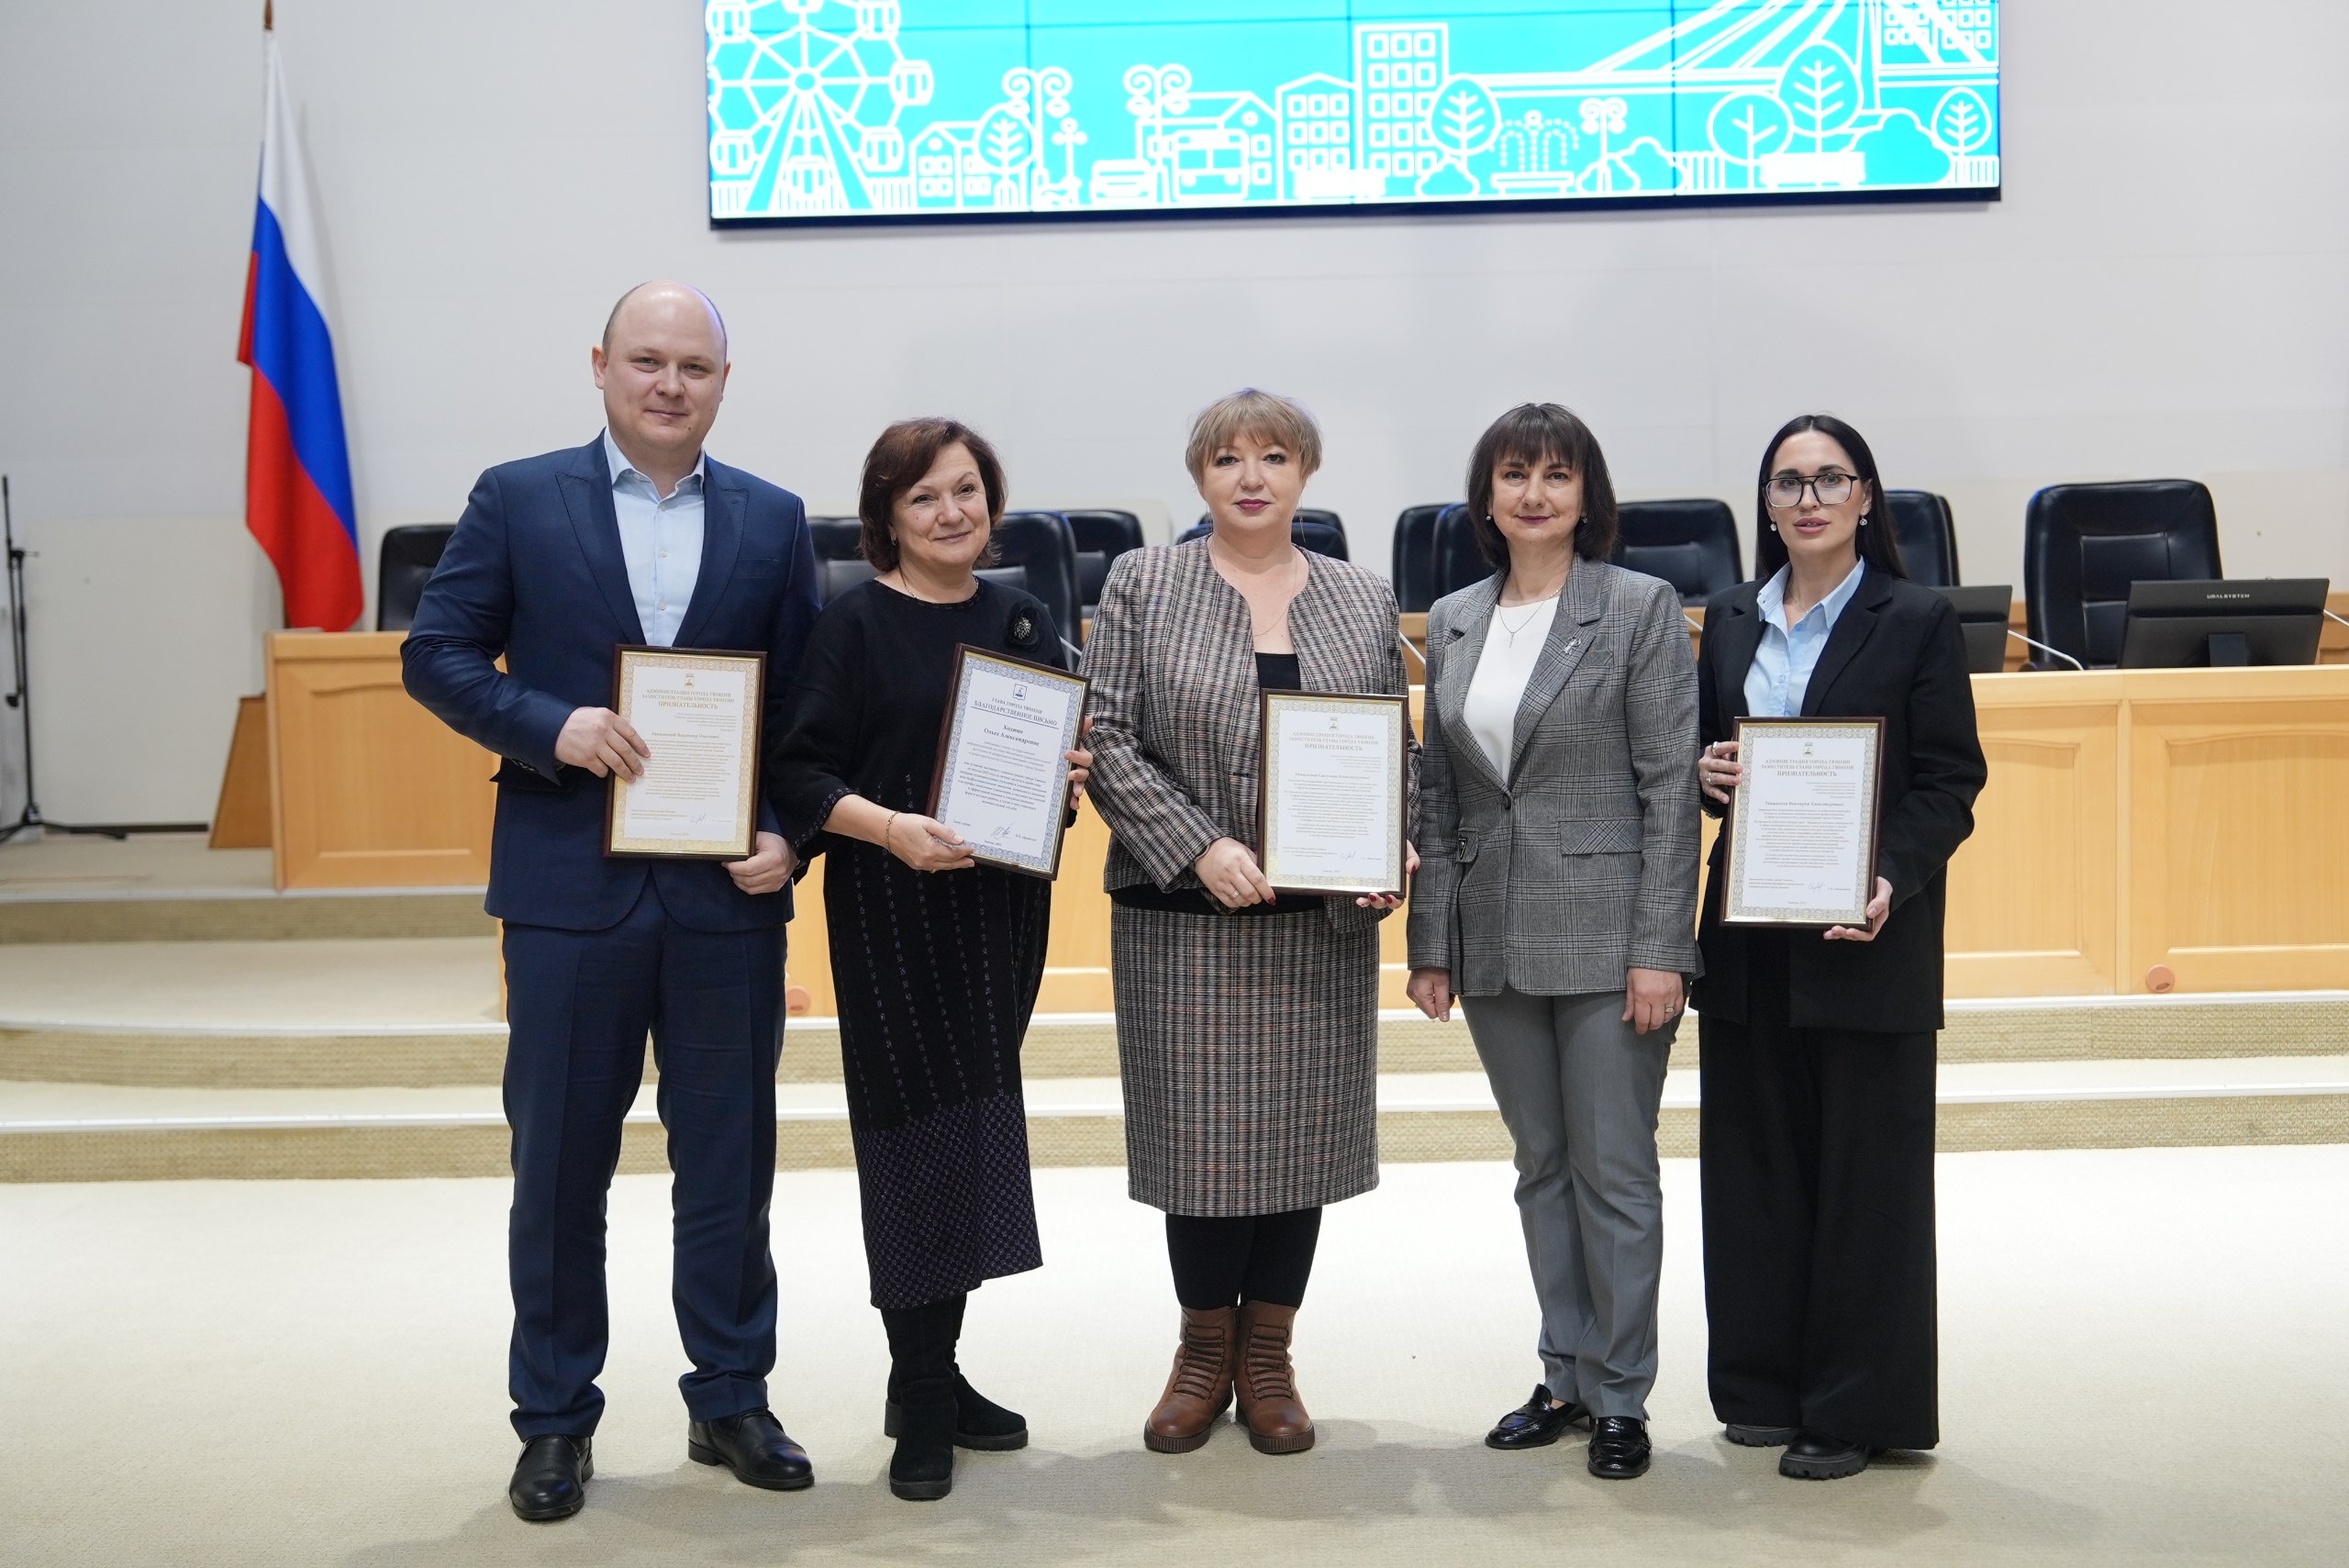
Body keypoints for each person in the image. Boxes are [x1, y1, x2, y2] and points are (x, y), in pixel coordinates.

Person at [402, 282, 822, 1522]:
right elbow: (436, 654)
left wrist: (790, 831)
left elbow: (804, 709)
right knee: (558, 1169)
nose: (668, 384)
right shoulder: (519, 496)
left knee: (730, 1166)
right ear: (600, 365)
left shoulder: (773, 517)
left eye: (694, 365)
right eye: (646, 360)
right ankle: (553, 1417)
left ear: (724, 381)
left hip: (723, 900)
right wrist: (552, 725)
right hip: (568, 891)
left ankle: (731, 1395)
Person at [1083, 389, 1418, 1458]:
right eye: (1227, 458)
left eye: (1273, 456)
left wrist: (1392, 840)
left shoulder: (1361, 596)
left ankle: (1267, 1355)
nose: (1251, 476)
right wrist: (1198, 845)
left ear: (1304, 472)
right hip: (1184, 916)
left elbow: (1394, 748)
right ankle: (1200, 1352)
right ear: (1200, 477)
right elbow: (1105, 735)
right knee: (1199, 1144)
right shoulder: (1143, 581)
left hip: (1318, 926)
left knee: (1297, 1143)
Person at [771, 418, 1090, 1502]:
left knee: (971, 1131)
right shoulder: (853, 622)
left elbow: (1042, 771)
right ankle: (915, 1389)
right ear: (887, 517)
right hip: (892, 911)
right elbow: (800, 774)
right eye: (923, 497)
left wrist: (1065, 778)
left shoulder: (1020, 615)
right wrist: (892, 828)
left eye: (966, 489)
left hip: (999, 914)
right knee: (910, 1137)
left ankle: (937, 1373)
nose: (951, 511)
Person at [1404, 404, 1699, 1482]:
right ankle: (1564, 1372)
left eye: (1556, 474)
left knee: (1612, 1168)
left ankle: (1620, 1393)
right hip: (1491, 934)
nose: (1534, 493)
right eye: (1514, 473)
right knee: (1540, 1166)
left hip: (1612, 934)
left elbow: (1669, 789)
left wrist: (1661, 944)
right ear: (1485, 496)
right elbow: (1440, 794)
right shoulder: (1454, 617)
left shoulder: (1637, 606)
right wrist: (1430, 942)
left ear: (1586, 494)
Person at [1692, 413, 1987, 1480]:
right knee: (1754, 1165)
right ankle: (1763, 1385)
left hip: (1866, 932)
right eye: (1787, 482)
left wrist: (1890, 878)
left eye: (1829, 479)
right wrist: (1704, 773)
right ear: (1765, 504)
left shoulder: (1915, 617)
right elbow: (1706, 754)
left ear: (1866, 496)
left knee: (1867, 1179)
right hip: (1749, 934)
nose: (1807, 498)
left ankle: (1856, 1404)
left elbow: (1949, 780)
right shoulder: (1730, 617)